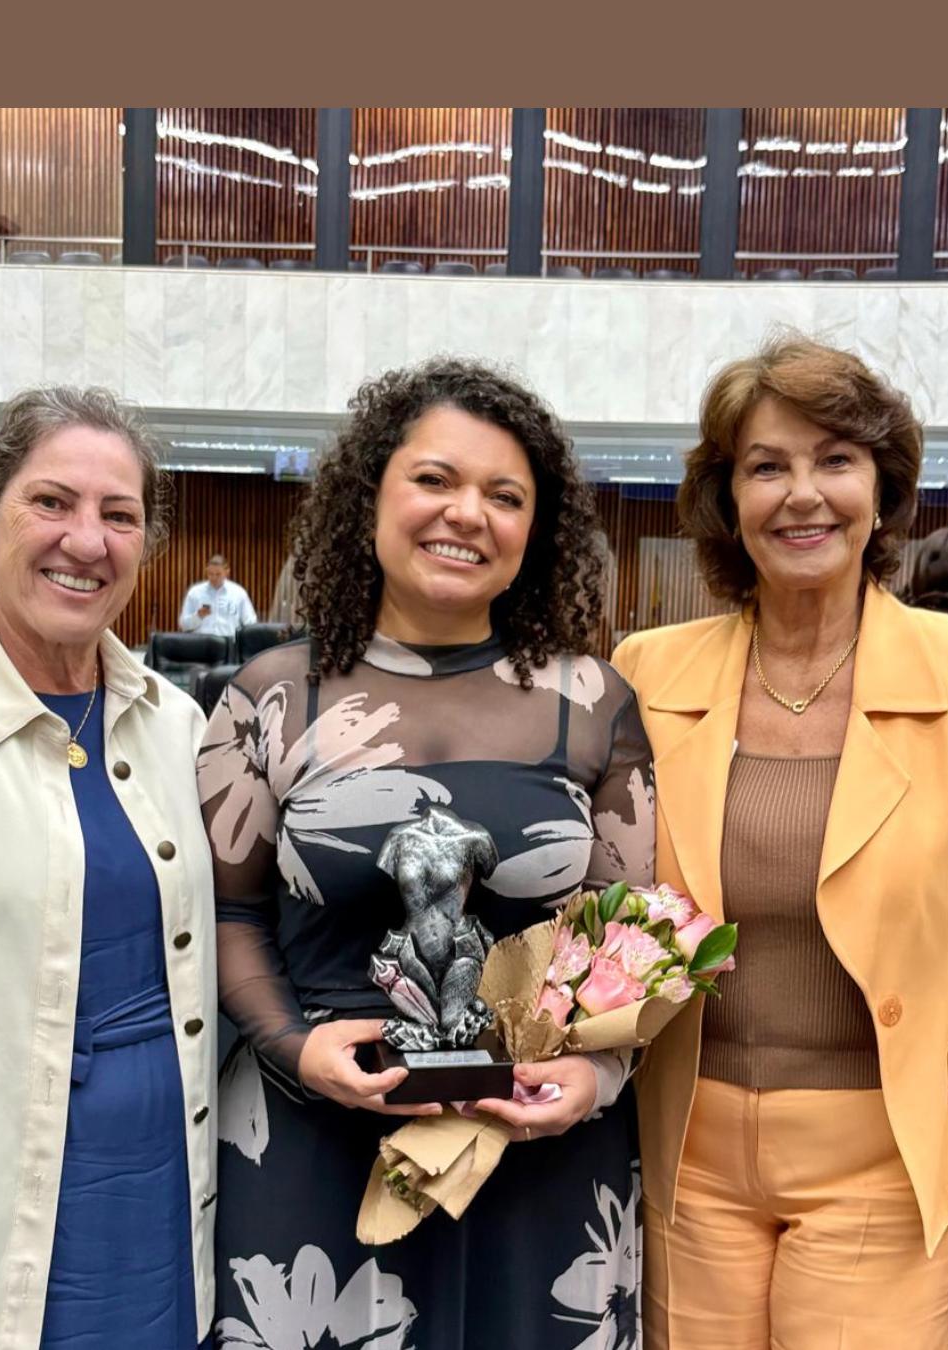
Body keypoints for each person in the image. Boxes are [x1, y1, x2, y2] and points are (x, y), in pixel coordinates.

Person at [198, 358, 656, 1349]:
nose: (467, 513)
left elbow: (627, 931)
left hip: (537, 1146)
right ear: (372, 496)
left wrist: (596, 1080)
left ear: (536, 531)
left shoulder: (595, 701)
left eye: (505, 495)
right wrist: (291, 1045)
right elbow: (229, 916)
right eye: (435, 480)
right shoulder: (269, 699)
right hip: (314, 1133)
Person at [613, 337, 948, 1349]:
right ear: (728, 499)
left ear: (884, 488)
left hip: (891, 1163)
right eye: (767, 465)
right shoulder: (644, 670)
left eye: (836, 460)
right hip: (688, 1155)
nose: (802, 494)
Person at [0, 387, 217, 1350]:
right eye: (51, 502)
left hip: (164, 1198)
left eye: (119, 515)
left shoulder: (180, 725)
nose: (88, 540)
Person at [179, 555, 256, 636]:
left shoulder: (239, 593)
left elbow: (250, 622)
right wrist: (198, 616)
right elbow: (184, 625)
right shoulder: (195, 593)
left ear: (227, 572)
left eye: (218, 574)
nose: (214, 577)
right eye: (210, 574)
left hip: (229, 644)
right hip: (202, 643)